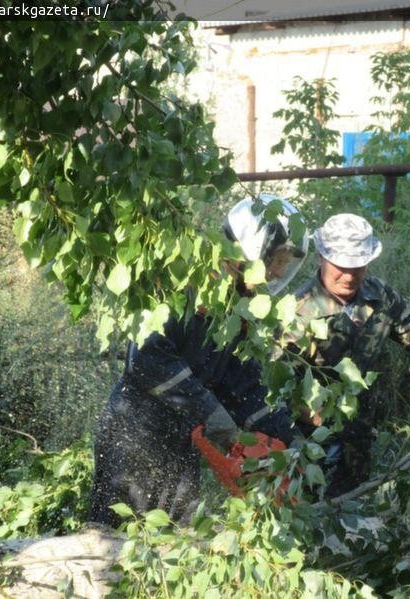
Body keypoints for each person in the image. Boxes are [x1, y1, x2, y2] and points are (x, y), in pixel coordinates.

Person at [89, 196, 308, 526]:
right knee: (114, 541)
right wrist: (210, 412)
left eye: (285, 264)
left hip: (181, 439)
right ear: (249, 251)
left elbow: (241, 383)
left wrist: (288, 439)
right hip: (134, 433)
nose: (278, 272)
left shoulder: (239, 308)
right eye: (277, 260)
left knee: (178, 538)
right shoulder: (184, 285)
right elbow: (146, 359)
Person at [287, 213, 410, 496]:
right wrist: (312, 416)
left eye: (358, 266)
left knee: (352, 513)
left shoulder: (379, 296)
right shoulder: (297, 311)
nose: (350, 275)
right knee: (312, 514)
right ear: (321, 258)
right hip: (311, 440)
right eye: (341, 266)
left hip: (360, 436)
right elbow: (276, 386)